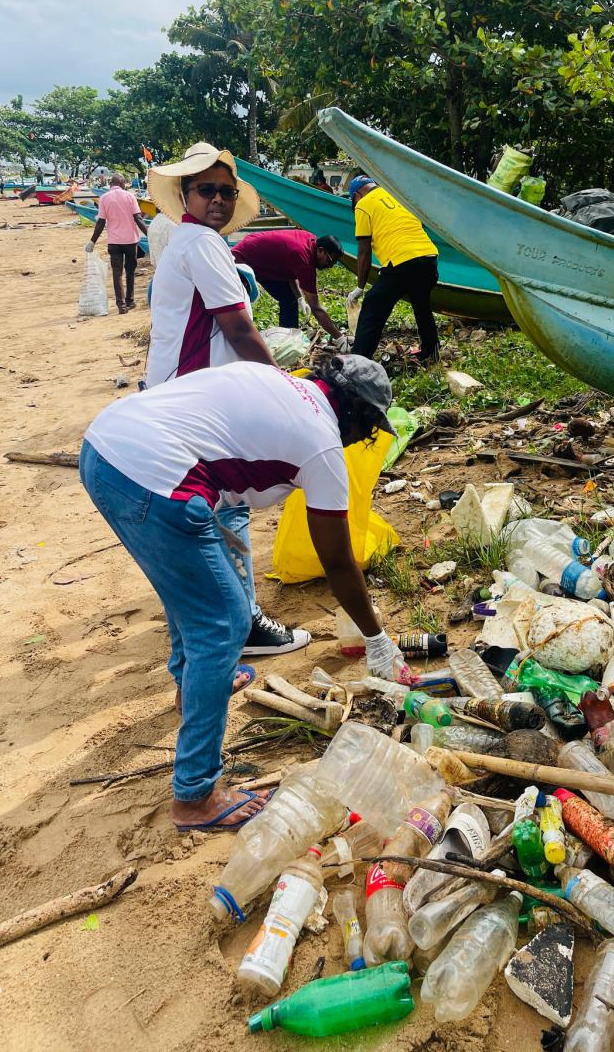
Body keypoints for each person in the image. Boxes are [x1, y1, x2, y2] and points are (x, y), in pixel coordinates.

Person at [80, 355, 410, 830]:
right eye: (369, 428)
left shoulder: (277, 380)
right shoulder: (322, 446)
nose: (365, 438)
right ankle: (194, 796)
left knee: (189, 590)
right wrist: (377, 639)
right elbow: (337, 561)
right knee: (224, 625)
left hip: (104, 447)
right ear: (356, 413)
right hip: (155, 477)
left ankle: (188, 688)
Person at [146, 142, 306, 656]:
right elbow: (237, 327)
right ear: (185, 195)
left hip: (178, 391)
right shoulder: (203, 245)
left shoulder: (189, 241)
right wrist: (284, 390)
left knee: (202, 508)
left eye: (226, 192)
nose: (218, 199)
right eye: (206, 190)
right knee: (228, 503)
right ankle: (243, 623)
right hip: (197, 398)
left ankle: (211, 616)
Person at [347, 176, 440, 363]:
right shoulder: (397, 196)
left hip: (402, 261)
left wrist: (360, 287)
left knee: (373, 306)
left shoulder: (363, 204)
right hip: (429, 257)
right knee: (421, 305)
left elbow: (364, 250)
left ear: (356, 195)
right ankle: (431, 352)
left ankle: (358, 362)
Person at [233, 228, 346, 342]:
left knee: (289, 298)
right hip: (243, 258)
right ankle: (241, 341)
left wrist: (299, 297)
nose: (330, 266)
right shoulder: (304, 258)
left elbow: (289, 269)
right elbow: (316, 308)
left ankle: (287, 340)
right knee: (238, 305)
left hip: (263, 262)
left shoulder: (310, 241)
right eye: (330, 260)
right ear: (320, 250)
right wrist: (339, 337)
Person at [87, 174, 149, 314]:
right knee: (130, 272)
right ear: (122, 184)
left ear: (111, 184)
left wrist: (93, 241)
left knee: (117, 273)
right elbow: (138, 218)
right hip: (130, 241)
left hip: (114, 242)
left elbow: (101, 222)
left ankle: (121, 305)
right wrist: (150, 234)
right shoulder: (130, 196)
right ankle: (130, 301)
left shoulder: (104, 198)